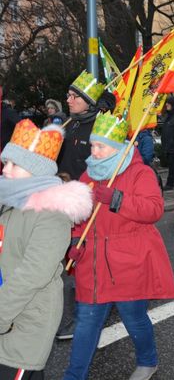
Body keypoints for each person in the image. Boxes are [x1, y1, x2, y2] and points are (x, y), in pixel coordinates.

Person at [63, 112, 174, 380]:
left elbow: (153, 209)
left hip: (128, 262)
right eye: (92, 145)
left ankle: (148, 362)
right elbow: (79, 217)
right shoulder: (87, 177)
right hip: (91, 262)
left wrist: (117, 199)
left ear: (116, 147)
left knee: (134, 319)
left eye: (100, 146)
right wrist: (73, 243)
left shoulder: (140, 172)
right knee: (86, 323)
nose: (94, 152)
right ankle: (73, 375)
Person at [0, 120, 92, 379]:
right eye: (5, 162)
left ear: (35, 170)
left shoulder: (51, 214)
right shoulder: (11, 200)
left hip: (23, 321)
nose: (5, 170)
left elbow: (33, 274)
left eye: (13, 164)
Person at [55, 71, 106, 341]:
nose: (69, 99)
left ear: (88, 101)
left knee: (84, 259)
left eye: (75, 96)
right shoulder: (69, 124)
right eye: (69, 95)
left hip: (89, 204)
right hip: (65, 200)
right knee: (70, 258)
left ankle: (84, 314)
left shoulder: (100, 126)